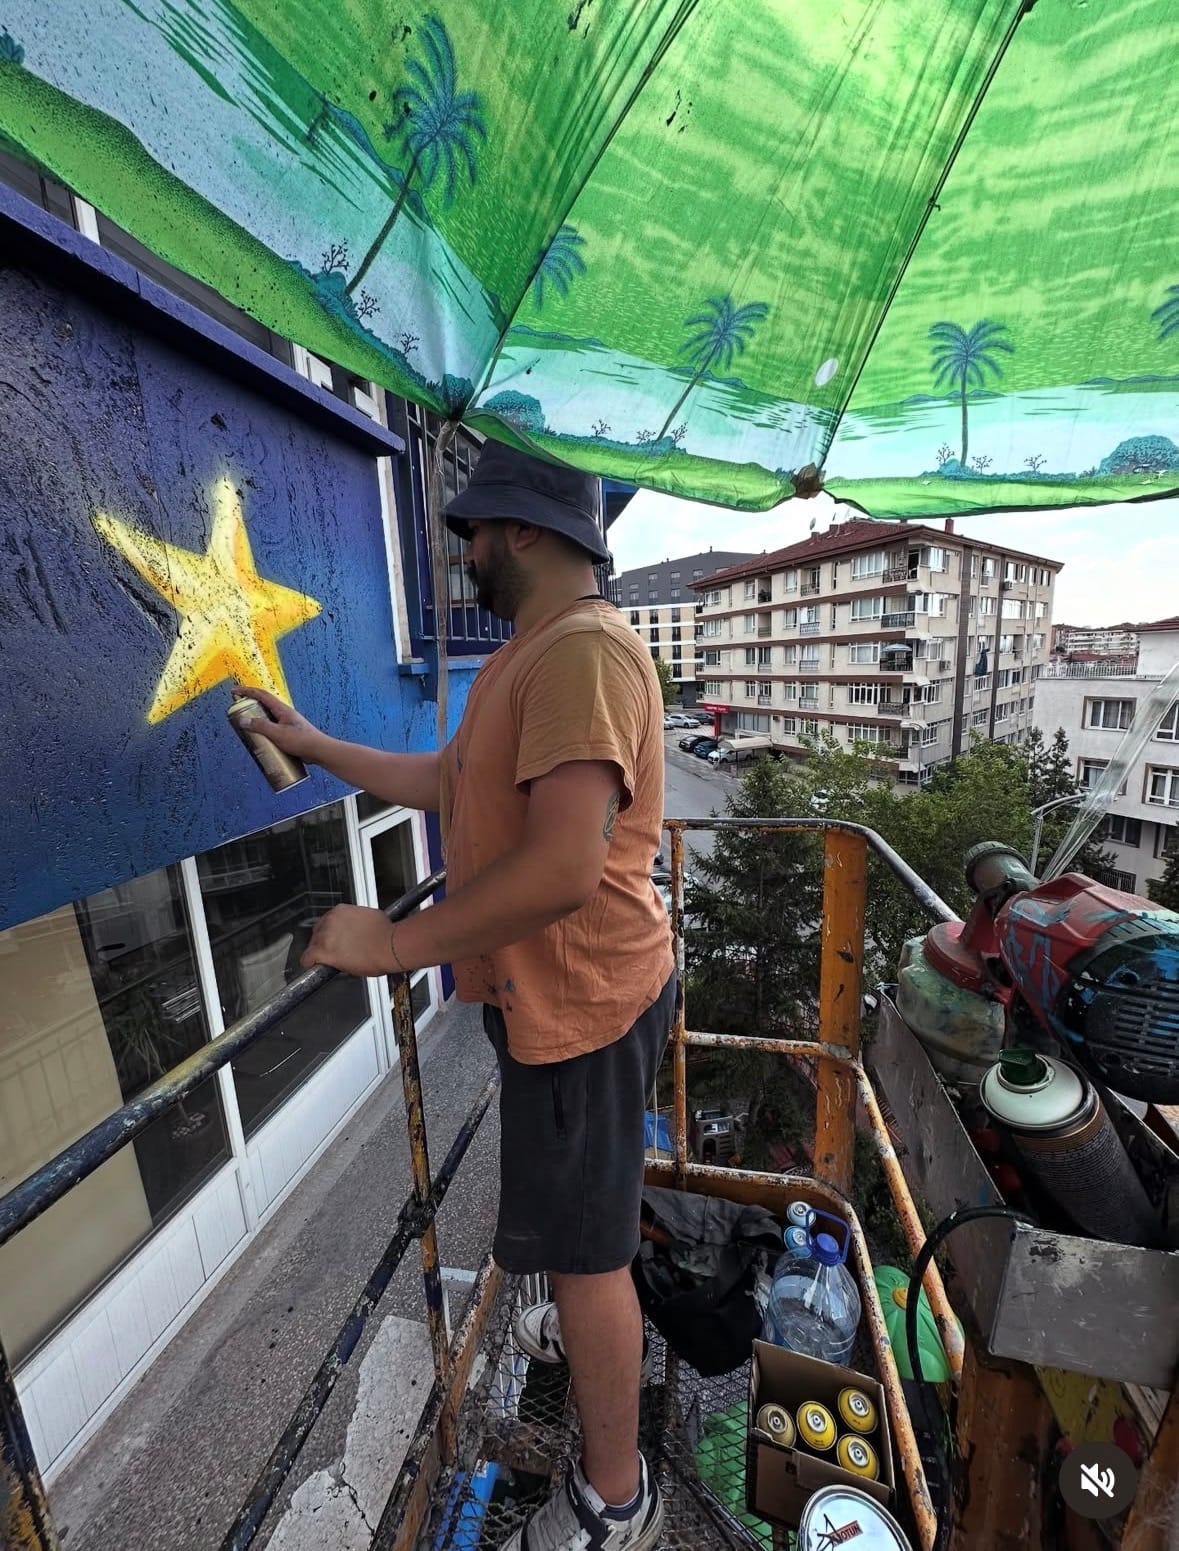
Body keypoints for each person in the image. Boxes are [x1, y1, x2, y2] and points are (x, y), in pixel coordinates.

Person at [238, 440, 674, 1551]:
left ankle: (615, 1502)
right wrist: (315, 745)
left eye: (472, 532)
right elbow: (448, 780)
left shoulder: (581, 654)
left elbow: (563, 867)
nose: (464, 552)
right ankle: (586, 1330)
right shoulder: (533, 654)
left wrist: (395, 942)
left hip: (583, 1009)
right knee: (580, 1241)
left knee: (590, 1258)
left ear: (523, 531)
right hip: (565, 1002)